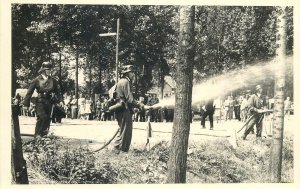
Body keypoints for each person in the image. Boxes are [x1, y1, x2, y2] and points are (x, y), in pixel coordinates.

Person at [112, 65, 149, 154]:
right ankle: (121, 151)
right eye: (132, 72)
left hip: (121, 109)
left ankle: (118, 149)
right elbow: (130, 99)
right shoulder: (125, 82)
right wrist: (141, 105)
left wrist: (134, 108)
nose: (133, 74)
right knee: (126, 131)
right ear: (127, 73)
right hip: (123, 110)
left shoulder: (122, 81)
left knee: (123, 130)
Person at [22, 62, 62, 138]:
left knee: (48, 119)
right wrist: (25, 104)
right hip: (40, 101)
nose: (49, 71)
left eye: (50, 69)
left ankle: (44, 136)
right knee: (42, 117)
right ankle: (37, 135)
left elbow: (58, 92)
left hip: (49, 102)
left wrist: (60, 101)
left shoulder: (53, 80)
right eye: (47, 69)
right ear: (43, 70)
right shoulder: (36, 80)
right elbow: (29, 92)